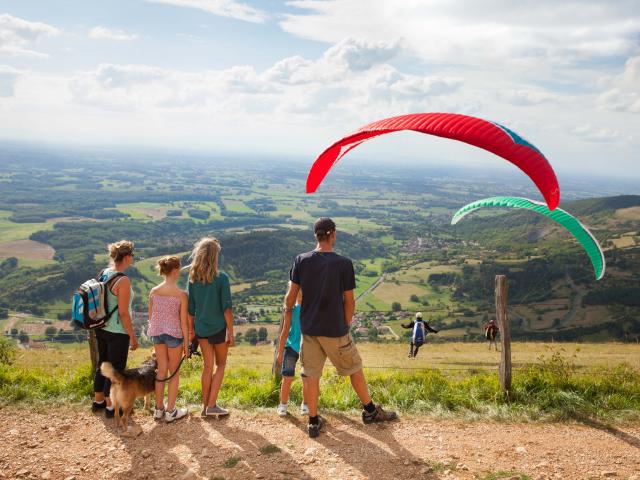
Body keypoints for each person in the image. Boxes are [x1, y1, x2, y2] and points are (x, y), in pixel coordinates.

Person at [284, 217, 397, 438]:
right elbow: (350, 302)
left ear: (315, 235)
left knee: (311, 375)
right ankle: (370, 411)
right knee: (354, 368)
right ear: (333, 234)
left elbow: (291, 299)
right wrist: (344, 324)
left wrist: (295, 316)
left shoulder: (301, 260)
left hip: (309, 330)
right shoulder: (343, 263)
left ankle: (314, 422)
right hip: (335, 329)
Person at [187, 237, 234, 417]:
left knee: (207, 366)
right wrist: (231, 332)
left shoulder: (192, 279)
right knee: (220, 365)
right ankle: (212, 405)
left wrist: (191, 333)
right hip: (219, 329)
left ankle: (205, 406)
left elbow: (191, 310)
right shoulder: (222, 278)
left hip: (201, 329)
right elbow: (227, 309)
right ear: (214, 256)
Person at [92, 240, 139, 418]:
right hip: (117, 331)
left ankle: (98, 402)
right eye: (132, 255)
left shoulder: (104, 273)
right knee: (115, 370)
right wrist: (132, 336)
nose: (133, 258)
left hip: (101, 327)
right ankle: (112, 408)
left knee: (102, 364)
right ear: (127, 257)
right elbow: (124, 313)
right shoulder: (123, 280)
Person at [147, 256, 189, 422]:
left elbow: (151, 317)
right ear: (174, 271)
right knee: (174, 373)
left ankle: (158, 409)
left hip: (157, 334)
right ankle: (171, 411)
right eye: (178, 268)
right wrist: (187, 343)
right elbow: (183, 322)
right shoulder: (180, 295)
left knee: (161, 370)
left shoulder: (153, 291)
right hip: (174, 335)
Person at [275, 284, 308, 416]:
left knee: (306, 378)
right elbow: (284, 331)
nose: (300, 291)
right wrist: (280, 351)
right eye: (298, 289)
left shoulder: (307, 308)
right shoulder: (291, 309)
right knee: (287, 377)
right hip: (293, 347)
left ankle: (305, 405)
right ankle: (283, 405)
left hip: (306, 347)